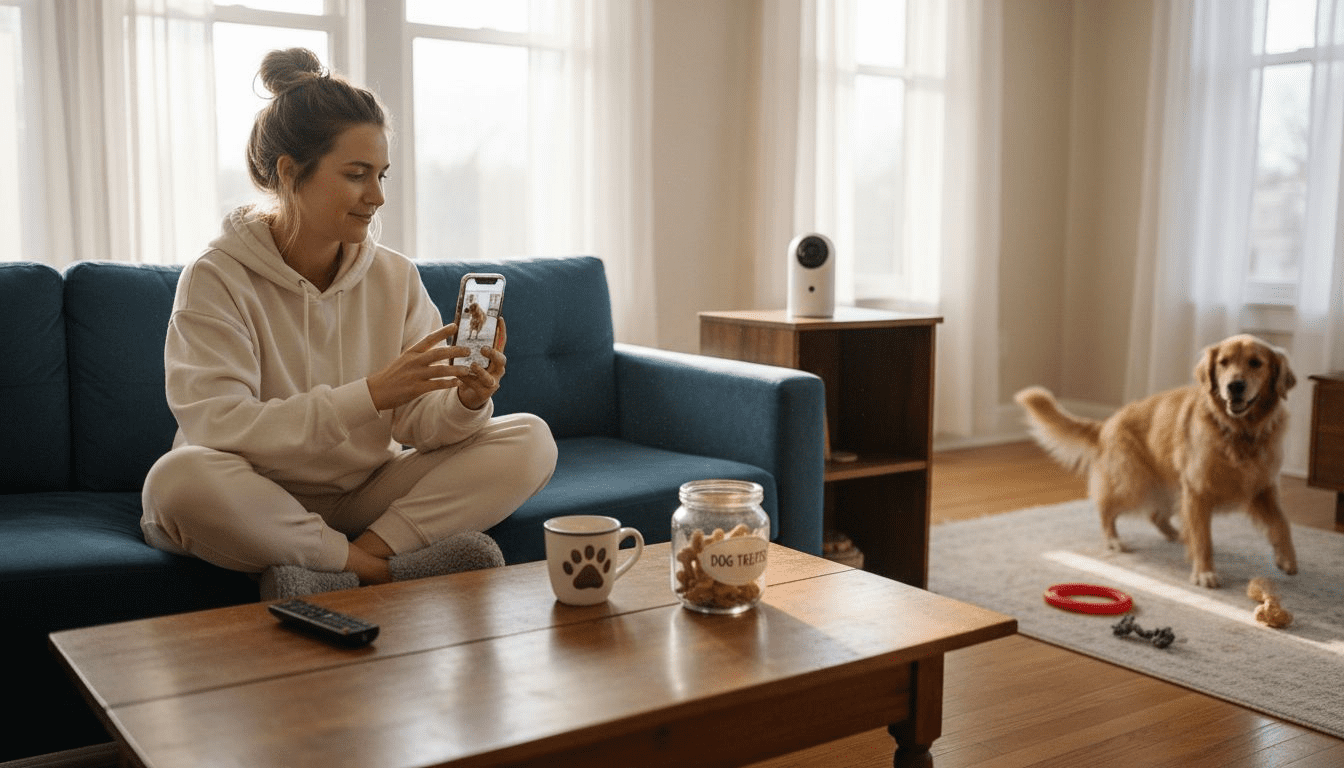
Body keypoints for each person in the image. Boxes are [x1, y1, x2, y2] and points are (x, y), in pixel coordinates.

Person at [141, 48, 557, 600]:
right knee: (177, 481)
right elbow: (219, 425)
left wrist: (466, 402)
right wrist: (370, 394)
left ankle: (346, 563)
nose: (378, 197)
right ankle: (380, 571)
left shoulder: (394, 277)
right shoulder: (216, 278)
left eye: (381, 175)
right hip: (253, 493)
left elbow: (419, 426)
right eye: (357, 175)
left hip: (363, 496)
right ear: (290, 173)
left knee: (530, 439)